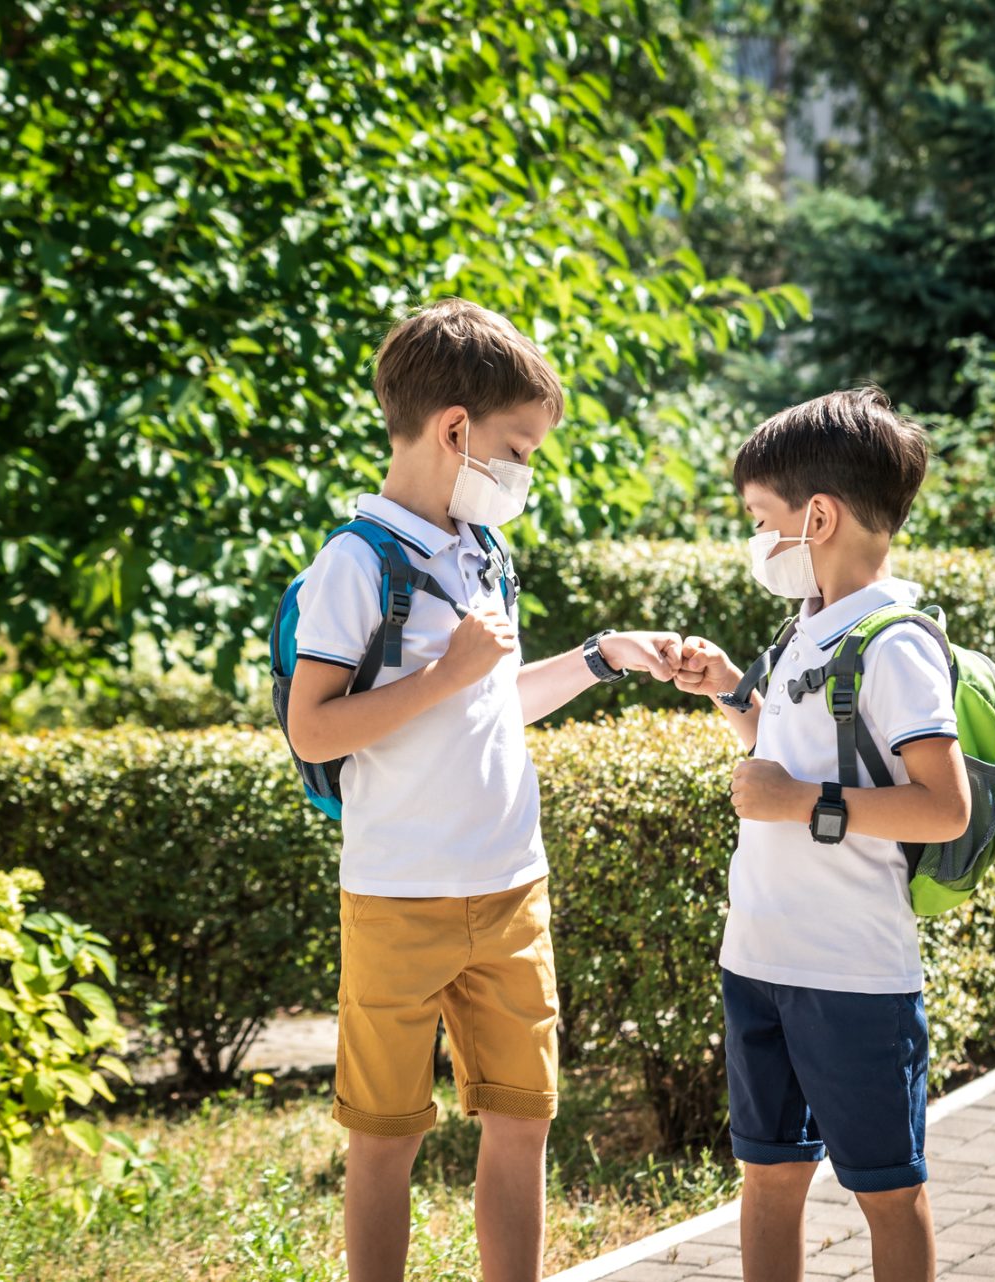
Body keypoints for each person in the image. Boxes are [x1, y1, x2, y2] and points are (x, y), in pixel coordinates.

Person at [283, 297, 680, 1282]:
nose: (527, 471)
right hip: (397, 900)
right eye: (522, 447)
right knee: (386, 1134)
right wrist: (444, 675)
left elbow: (495, 696)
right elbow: (313, 725)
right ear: (456, 429)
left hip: (513, 894)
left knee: (524, 1121)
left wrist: (598, 656)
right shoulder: (356, 564)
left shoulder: (483, 552)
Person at [671, 386, 972, 1282]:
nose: (758, 541)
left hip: (851, 977)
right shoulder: (809, 626)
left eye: (763, 521)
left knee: (886, 1191)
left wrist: (800, 800)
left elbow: (941, 805)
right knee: (765, 1179)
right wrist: (735, 695)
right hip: (759, 958)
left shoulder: (896, 645)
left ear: (819, 517)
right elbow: (794, 755)